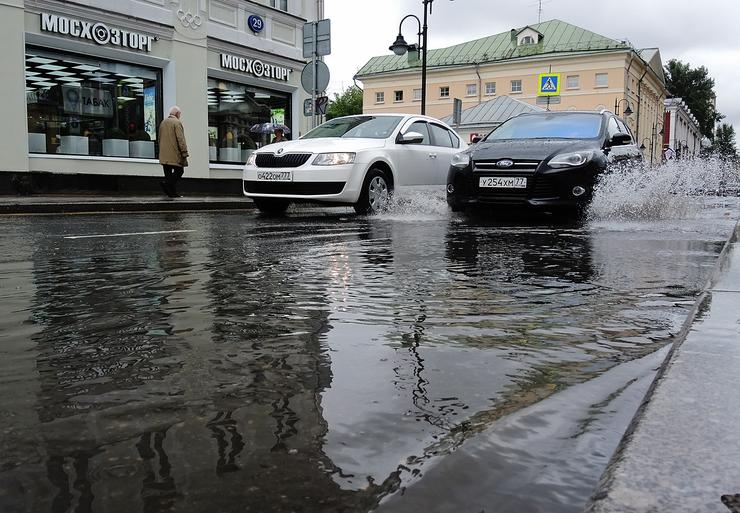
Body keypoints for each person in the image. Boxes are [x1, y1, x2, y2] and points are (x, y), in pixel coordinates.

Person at [158, 106, 189, 198]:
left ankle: (172, 193)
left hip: (163, 154)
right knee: (179, 171)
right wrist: (184, 152)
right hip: (174, 153)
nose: (180, 116)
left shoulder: (163, 123)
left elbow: (159, 138)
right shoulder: (177, 123)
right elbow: (180, 139)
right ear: (177, 114)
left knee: (168, 174)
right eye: (179, 114)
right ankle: (166, 184)